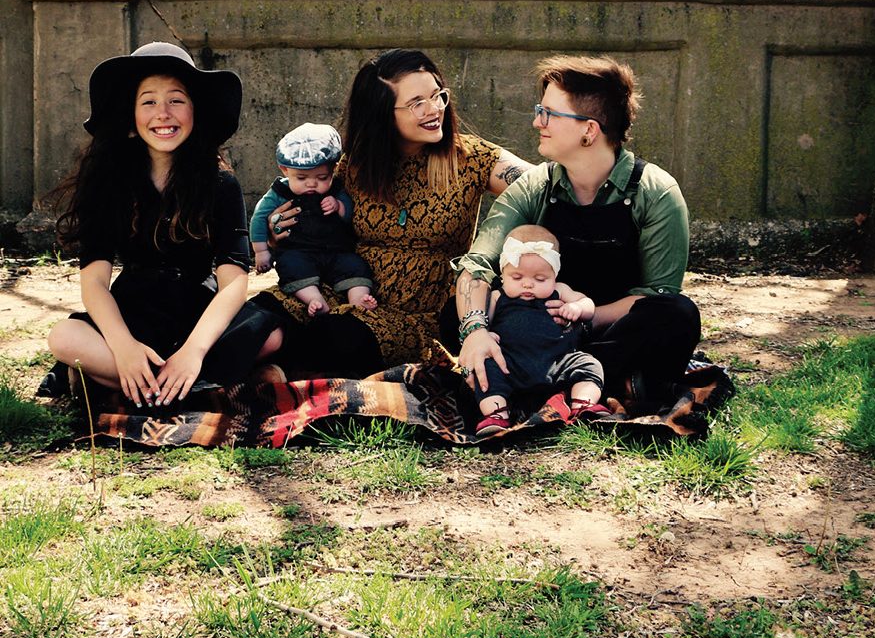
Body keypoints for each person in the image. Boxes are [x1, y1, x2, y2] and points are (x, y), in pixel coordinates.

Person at [264, 49, 532, 377]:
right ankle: (261, 370)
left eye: (437, 95)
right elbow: (316, 220)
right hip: (342, 285)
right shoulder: (356, 164)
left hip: (415, 313)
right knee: (258, 317)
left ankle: (275, 374)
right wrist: (276, 237)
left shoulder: (472, 158)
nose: (434, 109)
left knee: (337, 338)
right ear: (381, 114)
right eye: (417, 102)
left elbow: (542, 185)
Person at [454, 56, 701, 411]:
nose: (537, 121)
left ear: (589, 130)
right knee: (458, 310)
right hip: (535, 334)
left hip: (609, 332)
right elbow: (478, 264)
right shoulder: (533, 188)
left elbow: (657, 294)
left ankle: (547, 384)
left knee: (678, 315)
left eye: (549, 114)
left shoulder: (656, 192)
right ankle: (602, 386)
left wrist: (584, 314)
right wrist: (475, 331)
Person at [47, 42, 283, 407]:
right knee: (63, 337)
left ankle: (125, 384)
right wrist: (124, 347)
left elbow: (234, 280)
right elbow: (93, 282)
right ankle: (188, 386)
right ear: (131, 115)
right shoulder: (108, 182)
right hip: (133, 312)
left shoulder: (221, 183)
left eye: (176, 100)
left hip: (197, 311)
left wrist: (194, 351)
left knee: (271, 335)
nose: (163, 113)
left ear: (195, 110)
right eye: (148, 102)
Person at [471, 224, 607, 437]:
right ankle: (496, 414)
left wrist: (577, 308)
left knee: (588, 364)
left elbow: (588, 304)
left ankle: (583, 404)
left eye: (540, 279)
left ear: (554, 276)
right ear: (503, 274)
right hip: (510, 364)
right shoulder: (498, 296)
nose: (527, 284)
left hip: (558, 362)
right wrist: (485, 333)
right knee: (487, 370)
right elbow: (483, 320)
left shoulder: (559, 290)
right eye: (517, 277)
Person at [250, 123, 376, 316]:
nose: (311, 184)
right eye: (301, 178)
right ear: (285, 170)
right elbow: (258, 218)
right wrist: (261, 252)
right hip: (298, 251)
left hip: (336, 251)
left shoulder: (336, 190)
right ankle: (314, 299)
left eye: (322, 177)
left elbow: (351, 213)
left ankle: (359, 299)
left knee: (355, 266)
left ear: (333, 169)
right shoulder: (279, 193)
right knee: (290, 266)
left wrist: (338, 206)